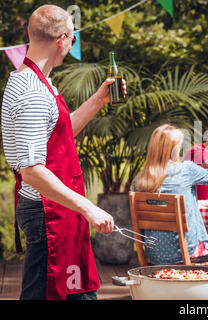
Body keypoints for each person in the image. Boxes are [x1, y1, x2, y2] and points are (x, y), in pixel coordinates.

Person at [0, 5, 125, 300]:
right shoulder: (31, 91)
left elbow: (61, 131)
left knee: (76, 292)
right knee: (44, 294)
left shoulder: (39, 83)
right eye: (73, 38)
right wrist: (88, 207)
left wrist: (98, 99)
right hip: (47, 213)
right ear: (61, 41)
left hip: (59, 207)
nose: (72, 45)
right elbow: (32, 170)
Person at [131, 124, 208, 265]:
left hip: (155, 254)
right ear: (174, 148)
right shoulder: (185, 170)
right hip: (188, 252)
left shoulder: (140, 179)